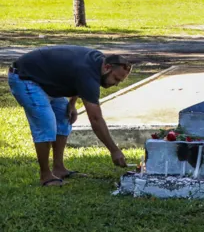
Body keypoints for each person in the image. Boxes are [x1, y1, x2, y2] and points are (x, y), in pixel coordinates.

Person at [8, 45, 132, 187]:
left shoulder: (97, 63)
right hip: (25, 77)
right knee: (46, 124)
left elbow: (75, 77)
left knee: (63, 117)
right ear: (107, 67)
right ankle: (45, 175)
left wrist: (72, 103)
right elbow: (96, 119)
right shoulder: (88, 72)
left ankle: (59, 168)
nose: (115, 84)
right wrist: (114, 150)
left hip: (45, 81)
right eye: (116, 78)